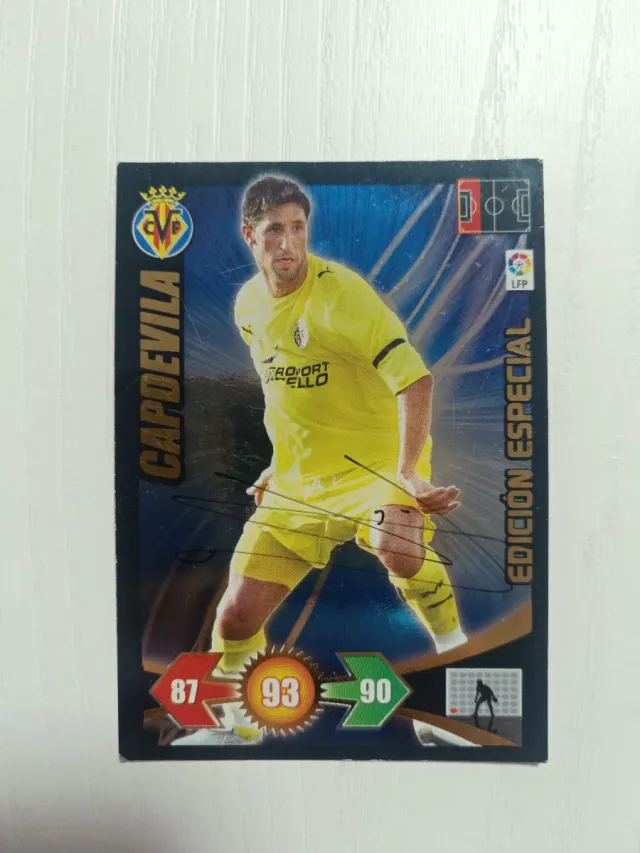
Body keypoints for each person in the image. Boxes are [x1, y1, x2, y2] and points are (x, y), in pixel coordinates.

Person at [210, 175, 468, 744]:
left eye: (297, 228)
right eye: (273, 230)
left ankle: (458, 668)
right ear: (250, 235)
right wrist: (279, 463)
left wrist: (407, 472)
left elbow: (416, 381)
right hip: (300, 479)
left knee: (396, 542)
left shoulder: (342, 297)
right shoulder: (248, 305)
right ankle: (236, 727)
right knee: (235, 615)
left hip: (377, 464)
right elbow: (285, 390)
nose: (288, 243)